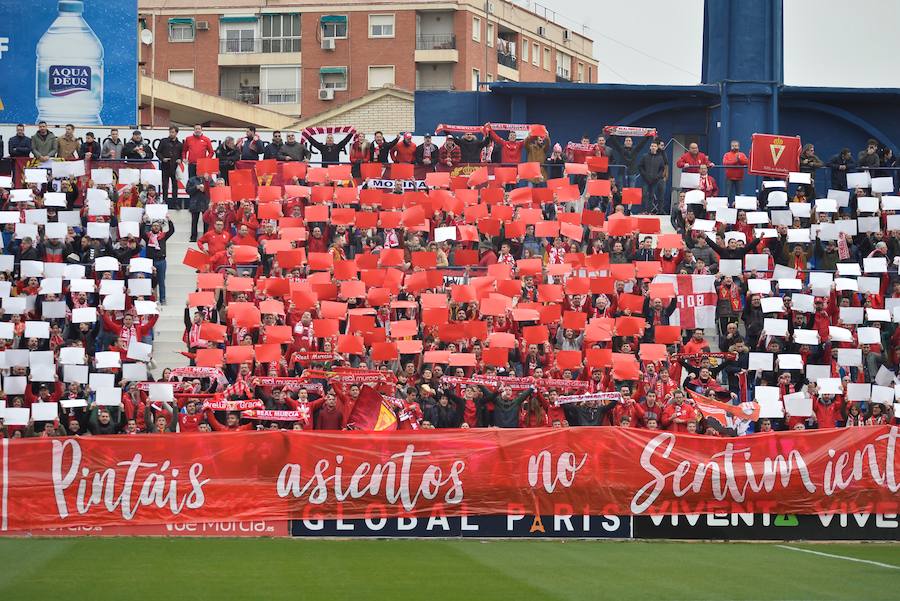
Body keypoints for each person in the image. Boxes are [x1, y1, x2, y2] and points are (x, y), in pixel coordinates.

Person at [142, 218, 175, 304]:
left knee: (161, 281)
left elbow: (172, 230)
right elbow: (141, 232)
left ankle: (163, 299)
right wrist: (144, 221)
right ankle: (148, 299)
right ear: (151, 227)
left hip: (161, 261)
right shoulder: (148, 236)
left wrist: (169, 220)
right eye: (154, 226)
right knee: (149, 281)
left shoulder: (163, 236)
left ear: (160, 227)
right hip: (150, 262)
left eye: (157, 226)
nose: (156, 227)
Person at [156, 126, 184, 209]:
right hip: (165, 166)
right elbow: (158, 152)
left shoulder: (180, 144)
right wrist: (163, 159)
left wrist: (180, 160)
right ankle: (165, 201)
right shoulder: (164, 141)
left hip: (174, 167)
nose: (171, 134)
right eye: (170, 132)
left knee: (175, 185)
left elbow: (182, 155)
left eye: (173, 132)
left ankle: (175, 203)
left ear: (176, 133)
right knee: (165, 185)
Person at [638, 140, 667, 214]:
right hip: (645, 180)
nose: (653, 147)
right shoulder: (645, 156)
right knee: (644, 195)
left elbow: (662, 169)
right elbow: (640, 167)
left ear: (657, 148)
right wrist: (644, 175)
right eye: (652, 146)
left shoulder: (660, 157)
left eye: (655, 146)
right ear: (650, 147)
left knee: (651, 196)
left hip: (655, 180)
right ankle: (643, 211)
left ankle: (649, 211)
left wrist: (657, 177)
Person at [186, 173, 212, 242]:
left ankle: (206, 237)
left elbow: (213, 188)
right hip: (195, 203)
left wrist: (206, 186)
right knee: (194, 221)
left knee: (206, 221)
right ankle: (193, 237)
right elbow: (188, 190)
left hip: (205, 202)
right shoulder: (192, 179)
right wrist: (196, 187)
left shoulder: (209, 179)